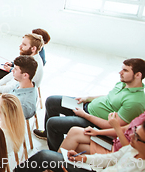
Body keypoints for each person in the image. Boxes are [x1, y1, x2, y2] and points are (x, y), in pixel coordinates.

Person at [33, 58, 145, 152]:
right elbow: (109, 97)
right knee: (51, 101)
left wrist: (84, 115)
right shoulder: (123, 83)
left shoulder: (136, 102)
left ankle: (56, 155)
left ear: (138, 75)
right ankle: (49, 135)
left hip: (93, 121)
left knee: (53, 124)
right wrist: (88, 98)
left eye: (125, 70)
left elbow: (112, 126)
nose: (120, 72)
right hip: (87, 108)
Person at [14, 119, 145, 172]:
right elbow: (110, 158)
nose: (131, 136)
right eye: (134, 131)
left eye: (137, 136)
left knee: (44, 157)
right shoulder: (132, 148)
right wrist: (84, 159)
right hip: (94, 167)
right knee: (45, 157)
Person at [60, 110, 145, 154]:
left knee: (72, 146)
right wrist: (97, 132)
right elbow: (125, 128)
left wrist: (116, 127)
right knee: (74, 131)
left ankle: (52, 166)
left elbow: (129, 151)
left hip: (117, 153)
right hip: (114, 143)